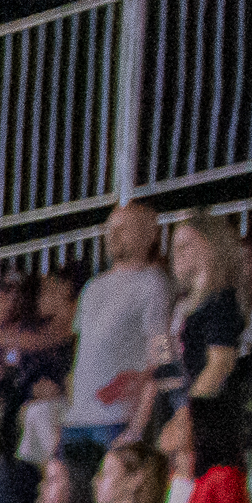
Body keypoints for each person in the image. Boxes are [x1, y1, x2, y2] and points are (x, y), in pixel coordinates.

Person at [68, 200, 181, 467]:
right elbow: (80, 351)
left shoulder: (153, 284)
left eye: (124, 228)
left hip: (117, 418)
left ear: (149, 234)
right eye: (111, 229)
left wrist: (138, 425)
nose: (114, 235)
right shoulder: (94, 286)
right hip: (79, 417)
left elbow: (161, 353)